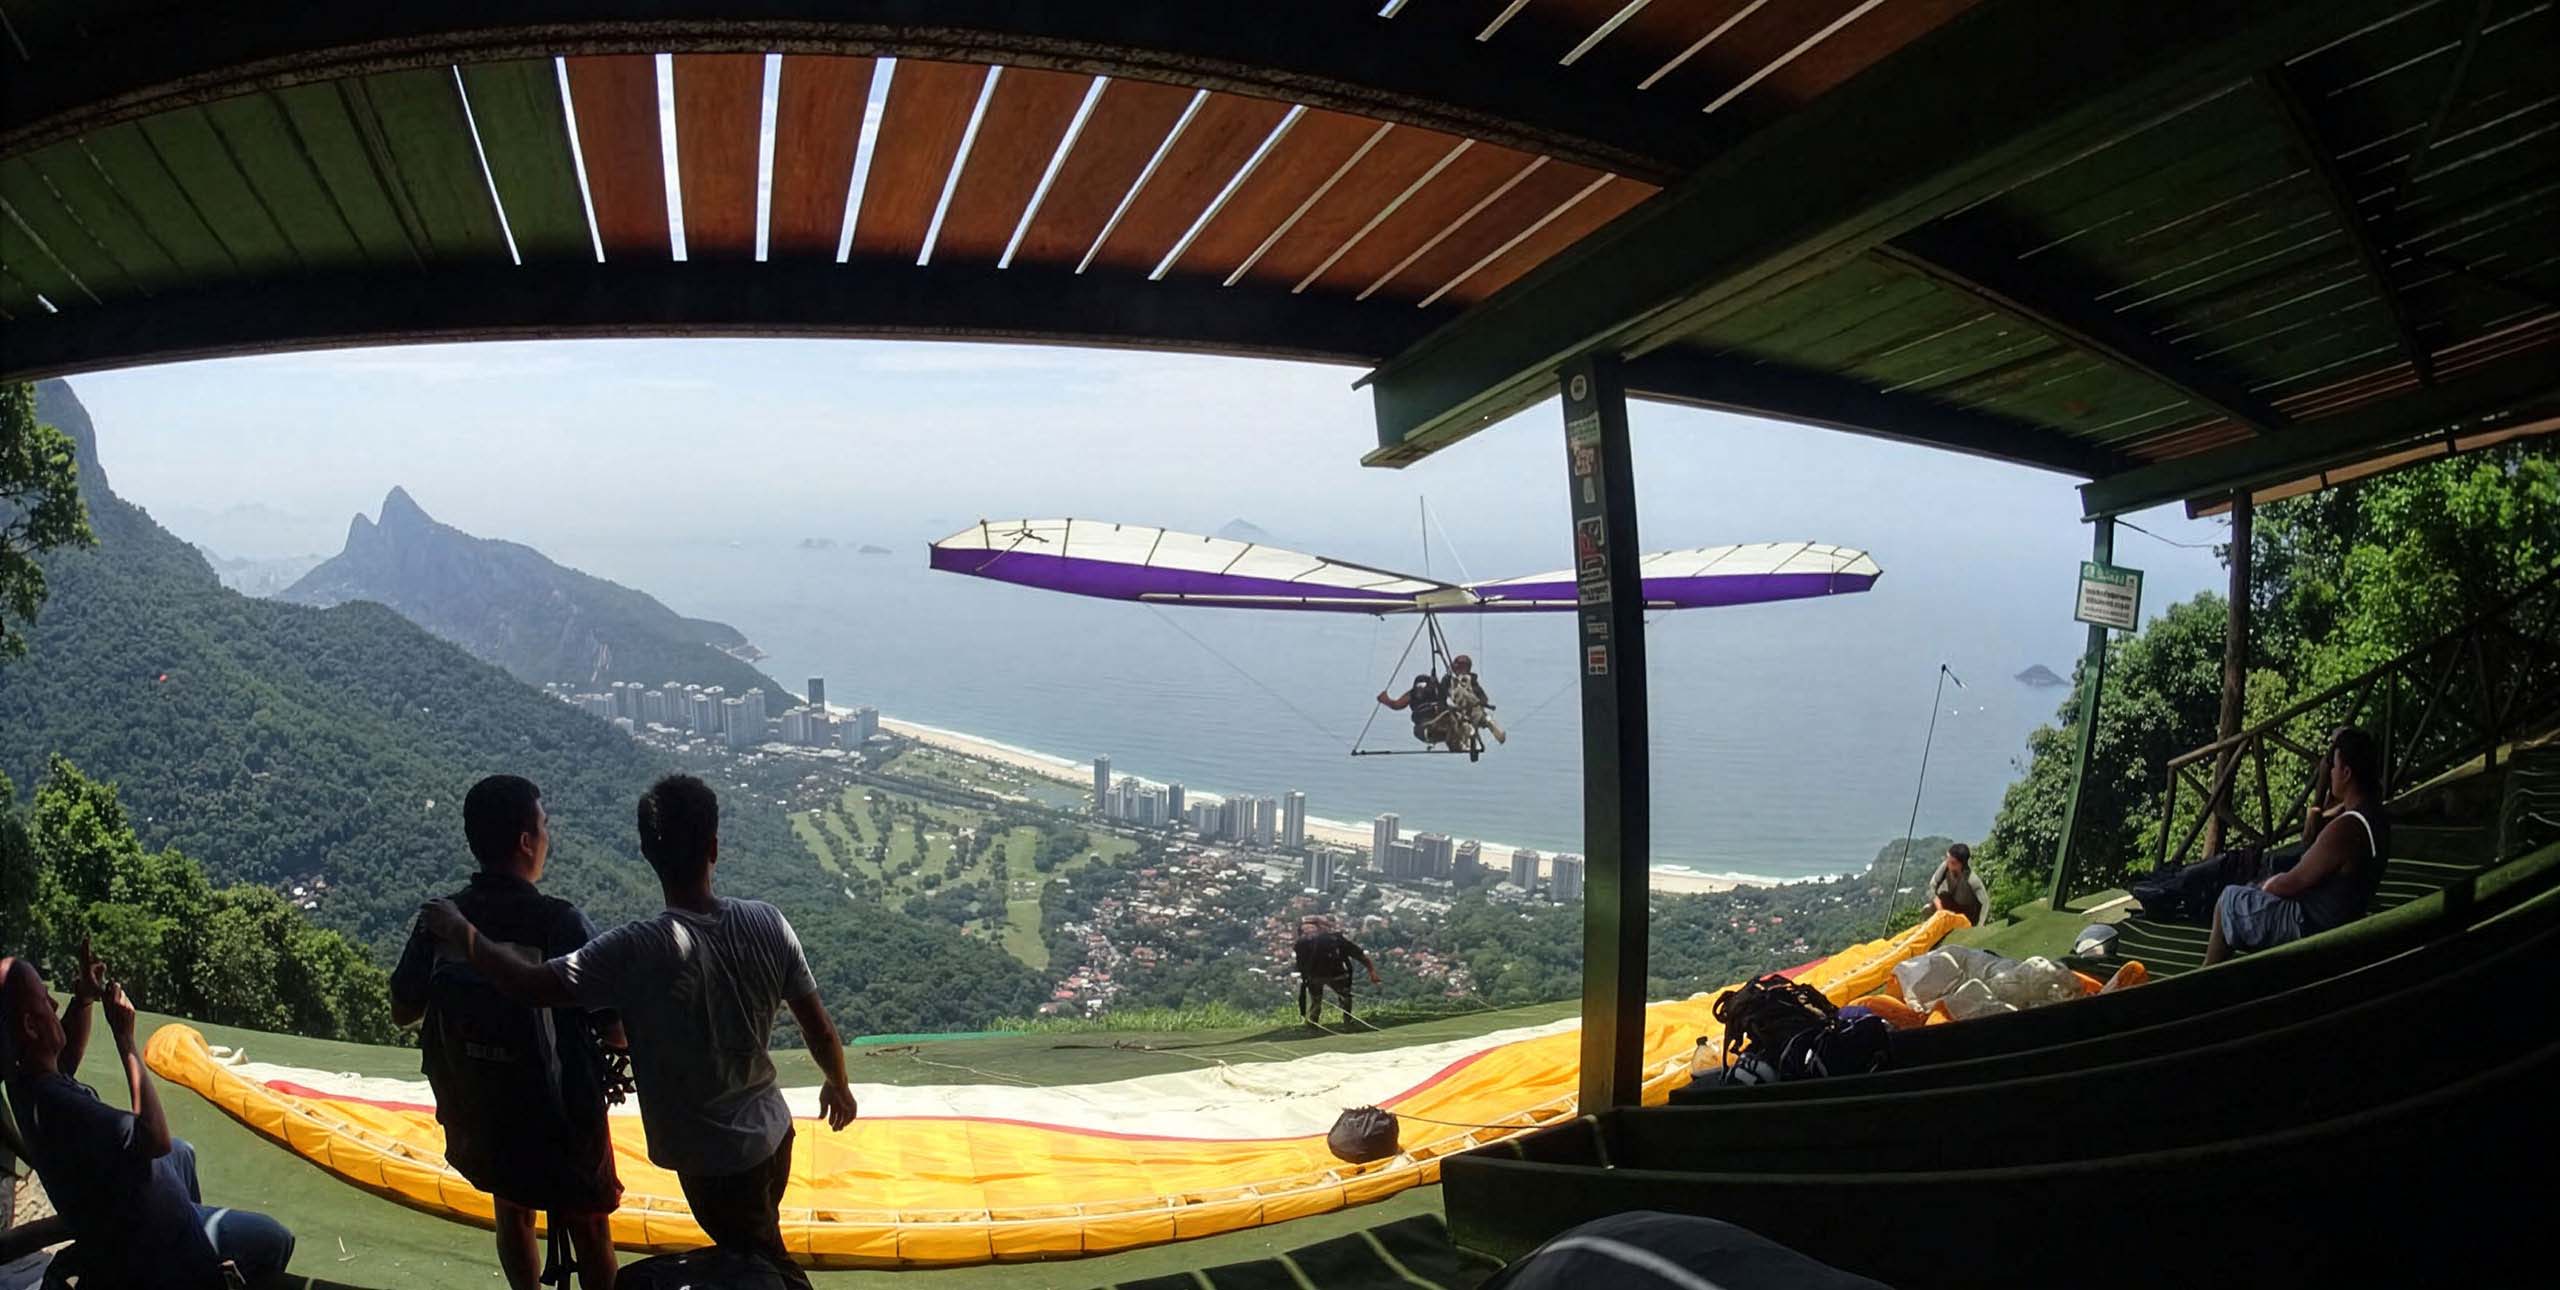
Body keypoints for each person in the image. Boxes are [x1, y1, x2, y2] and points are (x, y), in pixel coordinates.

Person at [419, 774, 856, 1290]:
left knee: (762, 1263)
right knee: (757, 1245)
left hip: (708, 1153)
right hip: (772, 1133)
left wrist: (462, 933)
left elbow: (531, 985)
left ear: (647, 852)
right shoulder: (768, 921)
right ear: (714, 847)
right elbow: (819, 1026)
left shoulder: (636, 949)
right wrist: (837, 1082)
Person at [391, 775, 621, 1290]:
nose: (546, 836)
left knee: (512, 1211)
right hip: (564, 1124)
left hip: (484, 1118)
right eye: (543, 826)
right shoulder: (557, 922)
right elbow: (615, 1027)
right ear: (525, 841)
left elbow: (403, 1009)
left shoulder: (440, 920)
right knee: (590, 1226)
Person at [0, 944, 295, 1290]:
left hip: (117, 1209)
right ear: (31, 1028)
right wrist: (126, 1040)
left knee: (182, 1153)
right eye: (46, 1000)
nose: (54, 1004)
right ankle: (192, 1266)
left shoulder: (25, 1080)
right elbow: (154, 1138)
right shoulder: (63, 1106)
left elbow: (63, 1057)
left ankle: (190, 1241)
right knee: (274, 1238)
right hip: (138, 1234)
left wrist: (83, 998)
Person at [2205, 726, 2391, 965]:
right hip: (2342, 916)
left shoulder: (2346, 828)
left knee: (2229, 900)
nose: (2329, 771)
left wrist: (2260, 888)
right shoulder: (2375, 816)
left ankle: (2205, 978)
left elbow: (2291, 883)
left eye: (2333, 766)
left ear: (2346, 773)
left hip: (2311, 926)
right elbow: (2315, 835)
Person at [1292, 918, 1380, 1026]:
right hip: (1323, 975)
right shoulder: (1328, 940)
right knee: (1323, 1001)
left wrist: (1372, 971)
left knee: (1333, 999)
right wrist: (1371, 971)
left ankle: (1317, 1024)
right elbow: (1359, 955)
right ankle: (1339, 1022)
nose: (1310, 934)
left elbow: (1358, 954)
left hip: (1329, 974)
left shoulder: (1333, 940)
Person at [1376, 672, 1454, 749]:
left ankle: (1450, 734)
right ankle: (1438, 732)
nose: (1420, 688)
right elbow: (1396, 705)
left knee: (1447, 681)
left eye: (1423, 685)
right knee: (1422, 730)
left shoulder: (1436, 691)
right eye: (1418, 685)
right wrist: (1385, 699)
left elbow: (1448, 693)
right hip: (1424, 727)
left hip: (1440, 720)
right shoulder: (1412, 694)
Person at [1445, 655, 1506, 747]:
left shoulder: (1456, 681)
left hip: (1462, 710)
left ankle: (1469, 737)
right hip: (1472, 709)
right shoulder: (1467, 681)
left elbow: (1442, 695)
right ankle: (1487, 725)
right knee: (1482, 718)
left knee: (1461, 723)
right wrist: (1483, 702)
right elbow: (1482, 696)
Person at [1924, 843, 1991, 926]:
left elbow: (1985, 902)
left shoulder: (1972, 879)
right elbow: (1931, 886)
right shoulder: (1945, 867)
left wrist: (1980, 924)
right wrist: (1938, 905)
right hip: (1952, 904)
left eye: (1952, 862)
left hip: (1969, 913)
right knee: (1942, 897)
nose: (1948, 863)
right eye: (1948, 859)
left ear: (1960, 864)